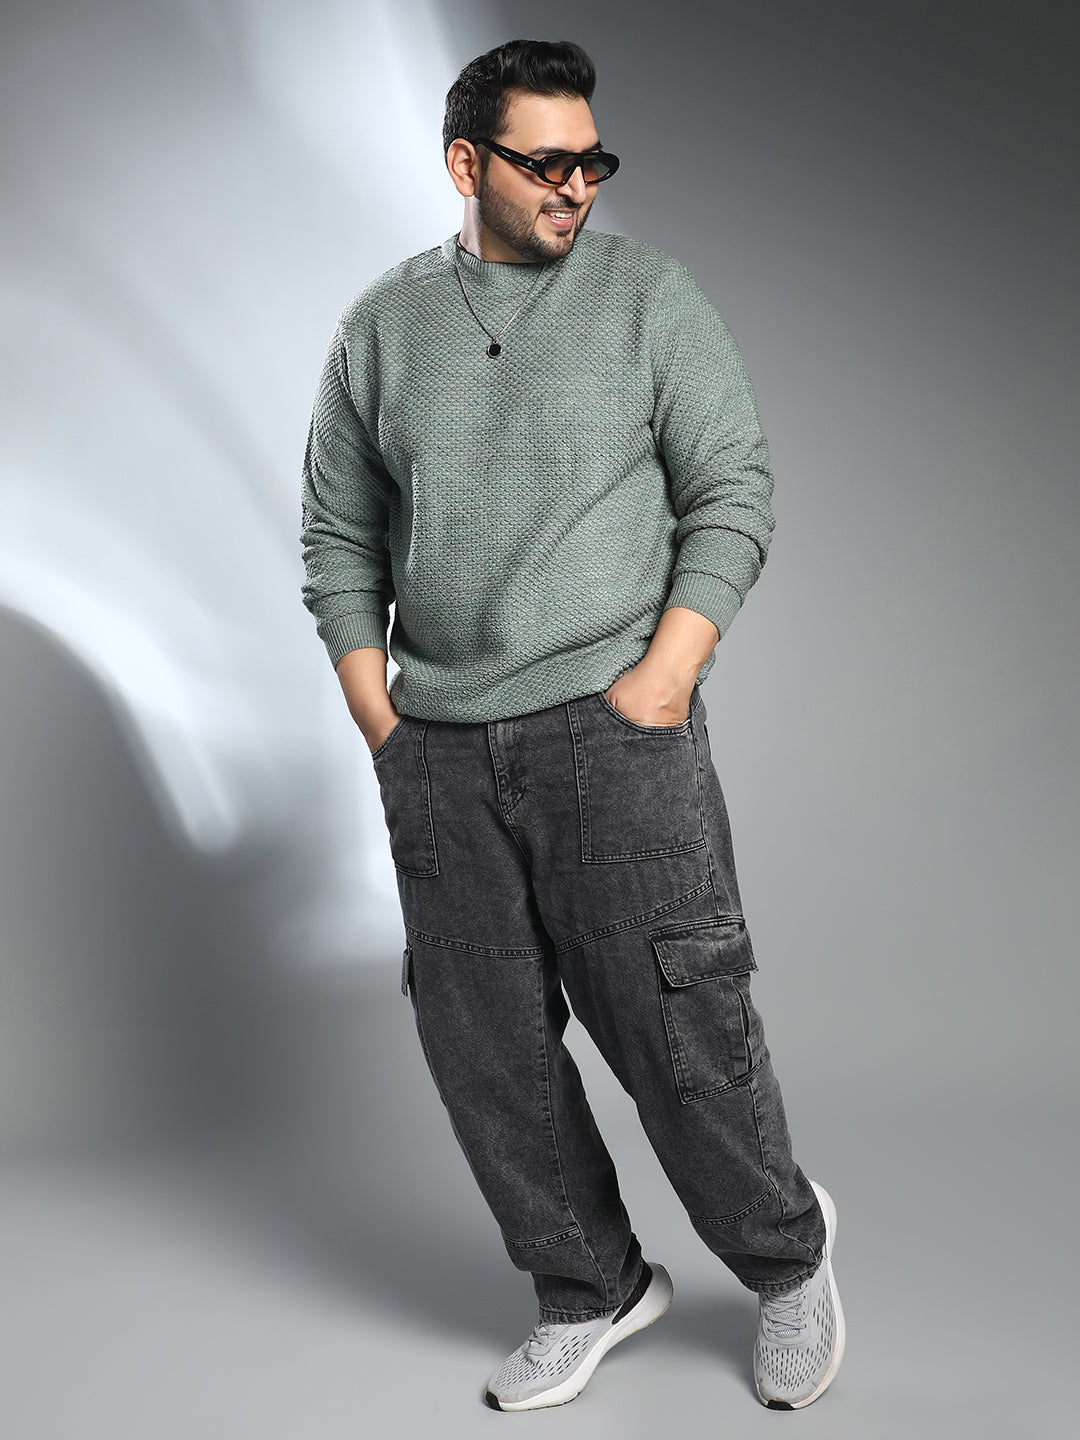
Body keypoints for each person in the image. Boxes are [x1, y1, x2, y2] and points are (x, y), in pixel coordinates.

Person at [299, 37, 845, 1413]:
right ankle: (587, 1285)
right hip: (439, 749)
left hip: (612, 733)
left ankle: (785, 1261)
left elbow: (732, 491)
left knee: (676, 1020)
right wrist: (380, 715)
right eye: (545, 162)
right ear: (464, 163)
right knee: (481, 1045)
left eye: (593, 160)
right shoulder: (381, 328)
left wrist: (666, 675)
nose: (576, 185)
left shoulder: (650, 298)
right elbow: (338, 536)